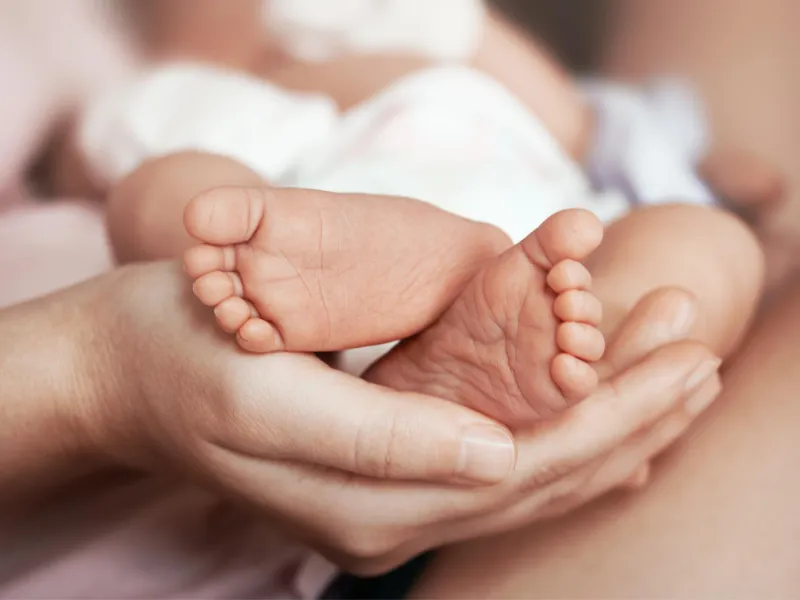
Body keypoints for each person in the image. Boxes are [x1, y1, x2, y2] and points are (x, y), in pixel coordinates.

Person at [0, 188, 721, 598]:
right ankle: (586, 338)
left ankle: (569, 342)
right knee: (702, 241)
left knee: (178, 185)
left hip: (410, 190)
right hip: (516, 186)